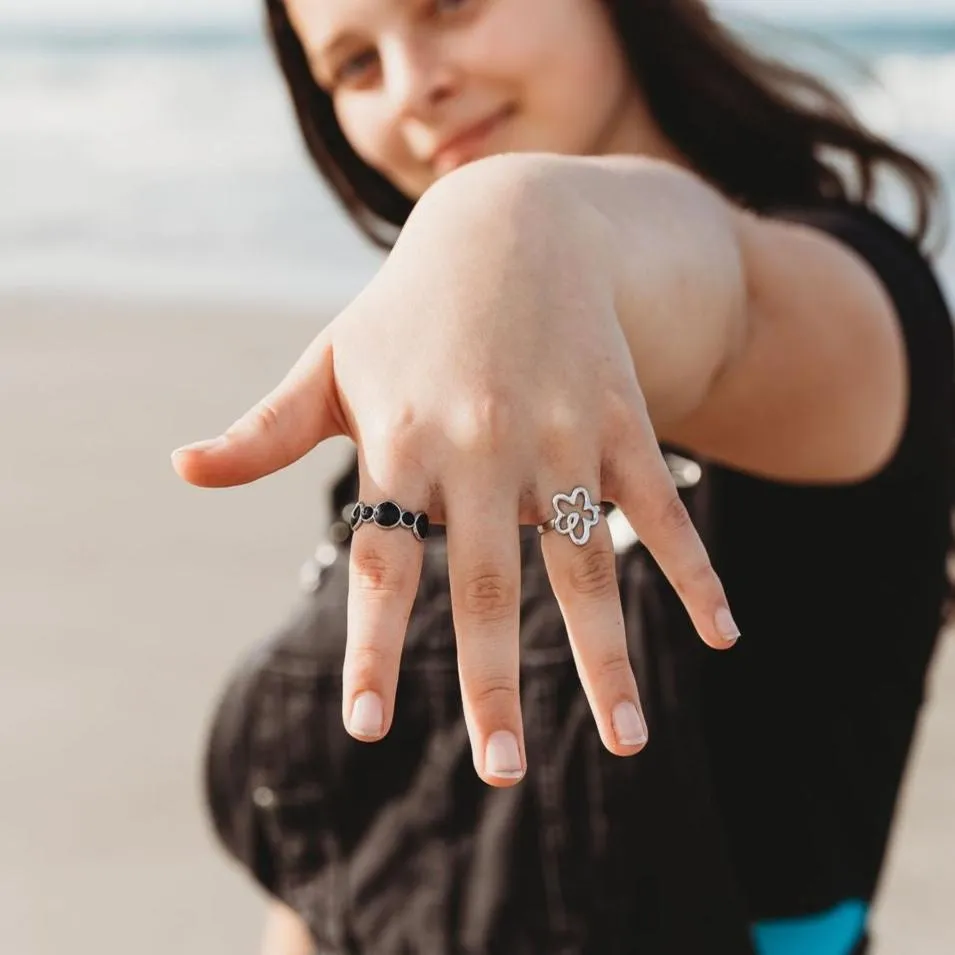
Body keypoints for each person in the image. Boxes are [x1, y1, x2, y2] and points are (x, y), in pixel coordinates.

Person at [171, 1, 955, 953]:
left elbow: (730, 305)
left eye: (448, 4)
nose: (414, 83)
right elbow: (338, 859)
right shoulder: (417, 427)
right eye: (353, 66)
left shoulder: (839, 309)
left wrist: (507, 213)